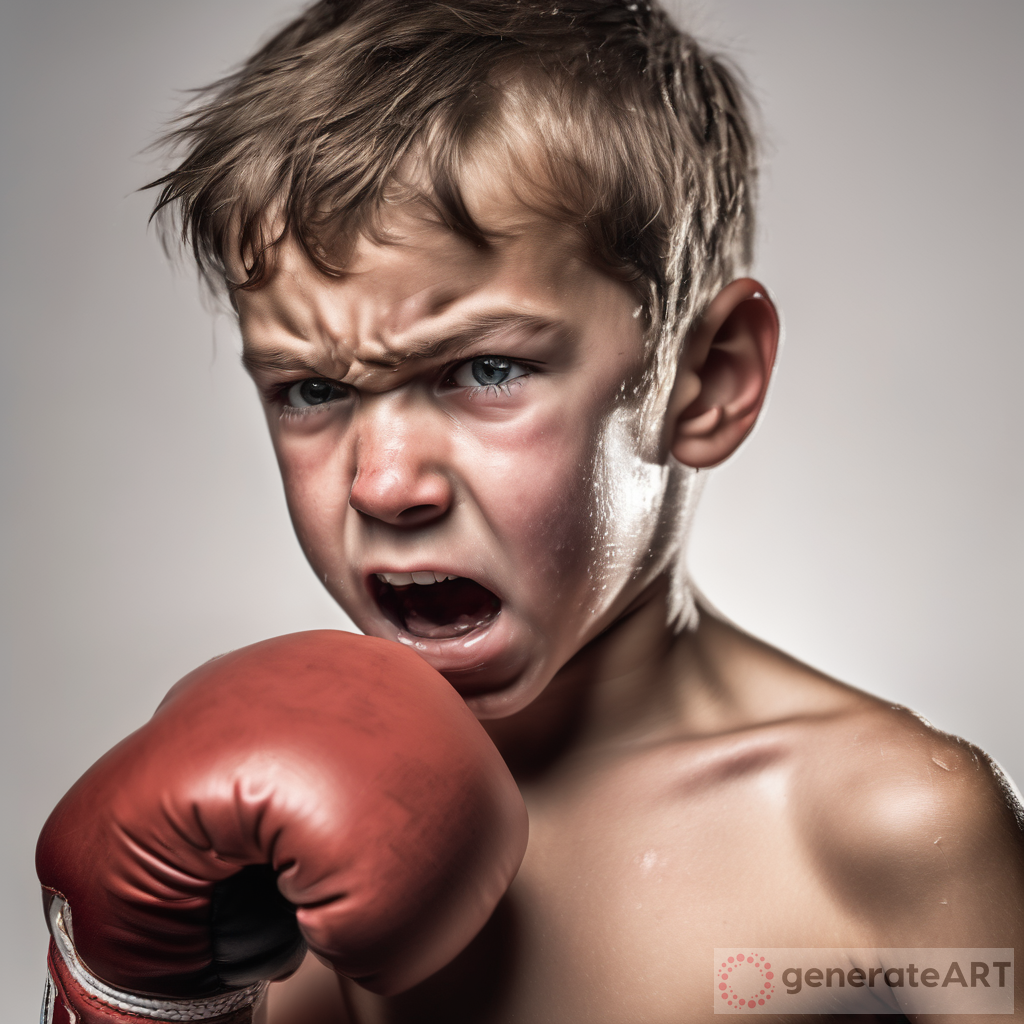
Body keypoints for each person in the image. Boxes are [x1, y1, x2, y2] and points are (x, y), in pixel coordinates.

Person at [35, 1, 1024, 1021]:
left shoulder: (879, 826)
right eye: (311, 390)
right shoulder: (254, 855)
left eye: (483, 368)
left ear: (705, 380)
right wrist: (132, 995)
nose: (383, 484)